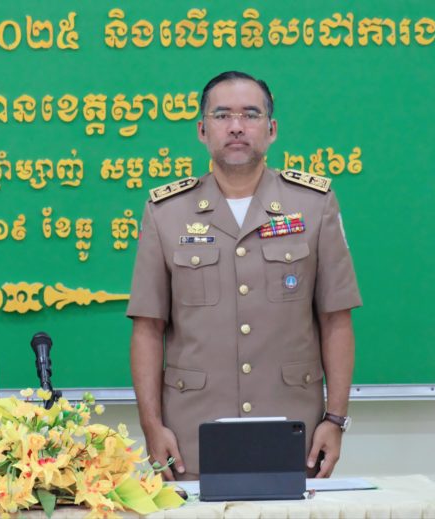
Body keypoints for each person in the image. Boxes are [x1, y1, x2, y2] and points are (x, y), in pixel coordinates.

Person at [127, 71, 361, 480]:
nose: (236, 127)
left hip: (294, 430)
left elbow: (335, 319)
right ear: (202, 130)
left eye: (250, 115)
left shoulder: (314, 205)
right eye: (222, 115)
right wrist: (151, 426)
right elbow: (148, 327)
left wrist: (335, 419)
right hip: (191, 435)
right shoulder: (165, 212)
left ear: (272, 130)